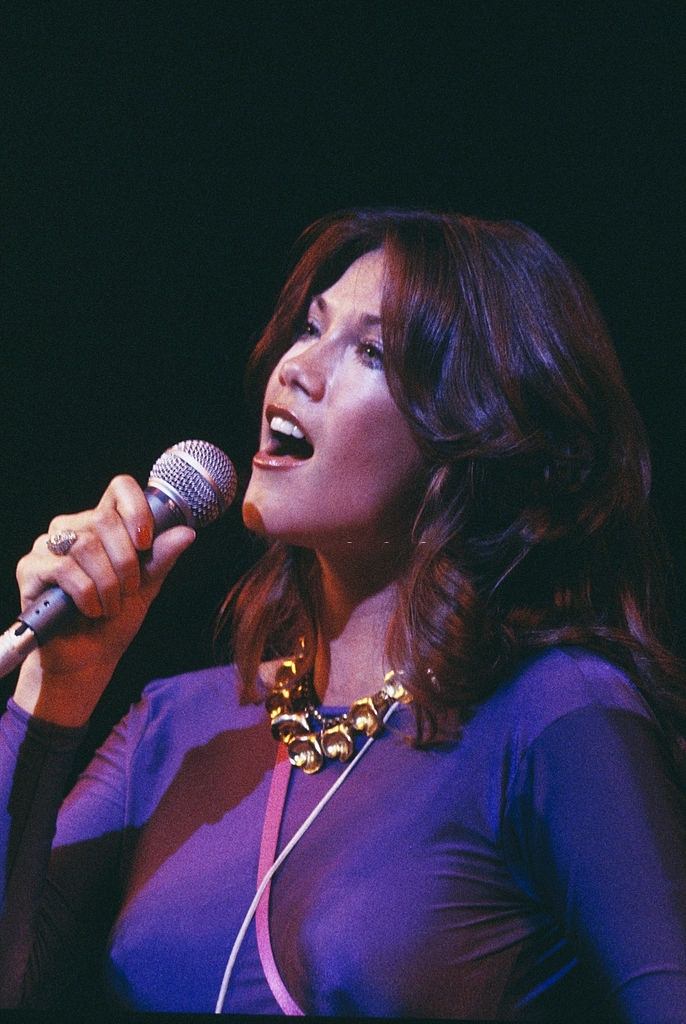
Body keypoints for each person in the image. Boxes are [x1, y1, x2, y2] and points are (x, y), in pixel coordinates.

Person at [1, 209, 685, 1021]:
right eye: (309, 327)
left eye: (371, 351)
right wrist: (56, 690)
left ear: (475, 432)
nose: (297, 369)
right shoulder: (179, 727)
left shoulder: (553, 714)